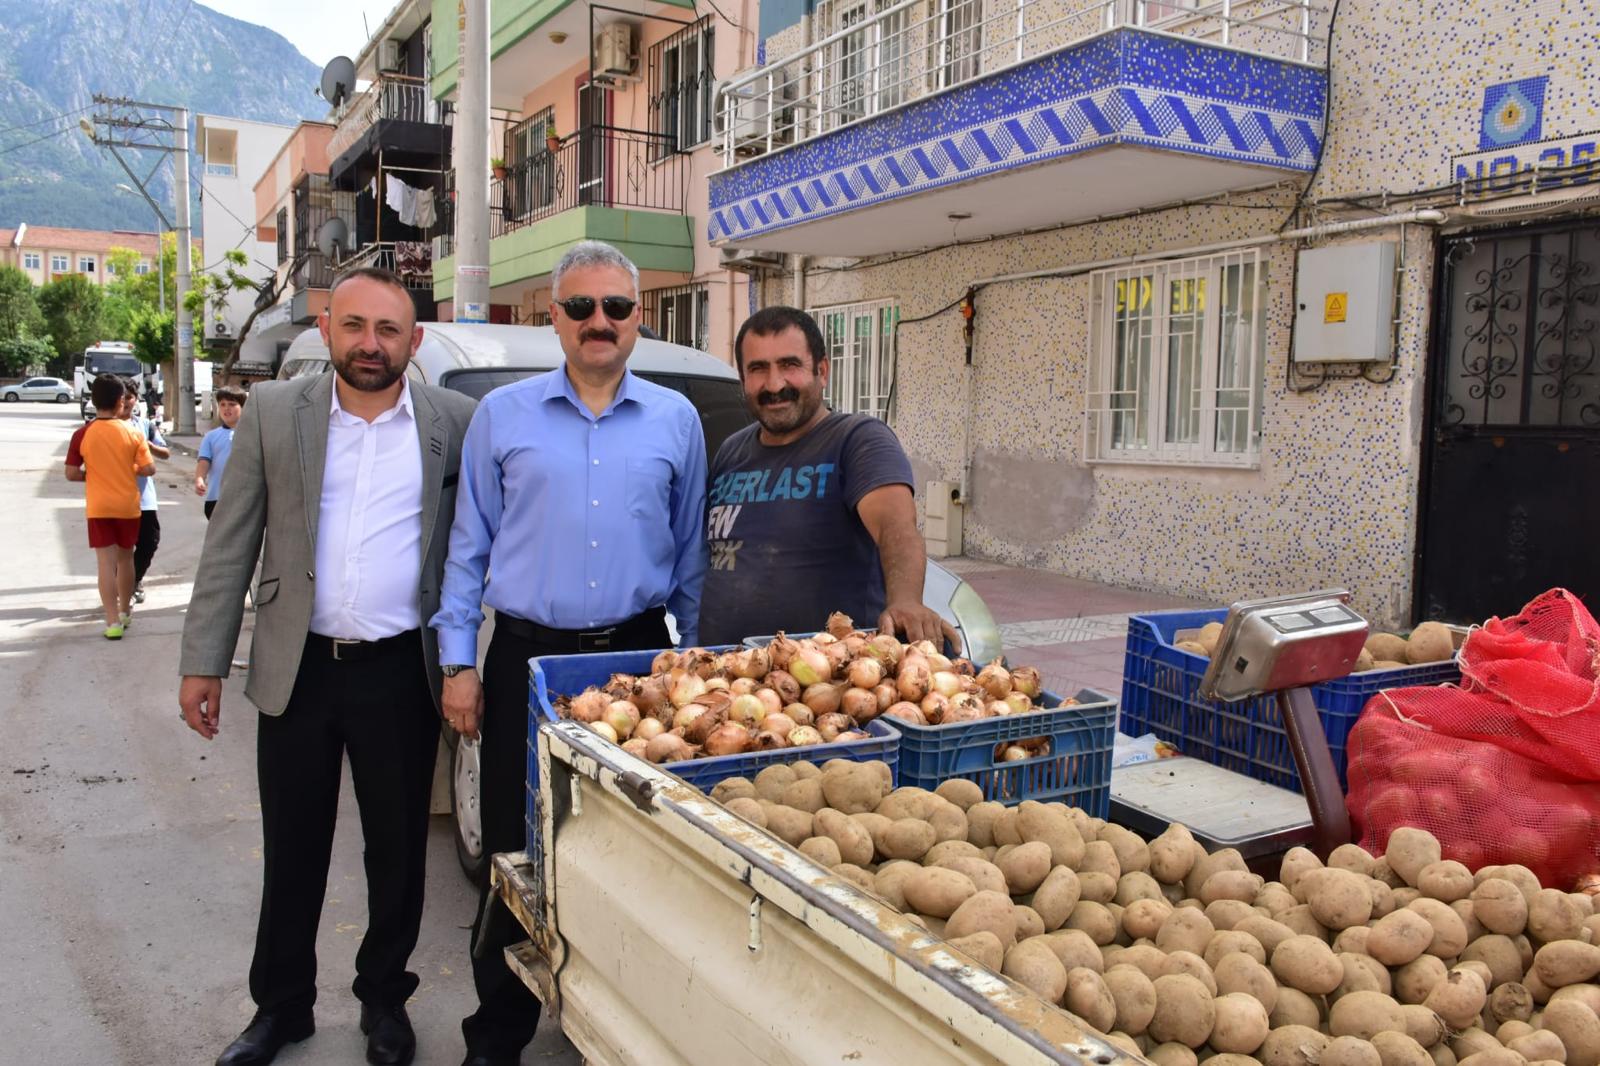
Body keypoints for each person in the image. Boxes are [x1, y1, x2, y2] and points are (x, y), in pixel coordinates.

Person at [178, 267, 477, 1066]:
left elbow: (478, 544)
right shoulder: (277, 413)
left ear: (413, 340)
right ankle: (281, 1008)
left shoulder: (456, 420)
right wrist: (202, 660)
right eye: (355, 326)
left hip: (398, 674)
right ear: (326, 328)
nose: (370, 344)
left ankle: (385, 1002)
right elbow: (230, 543)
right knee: (295, 846)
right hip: (298, 668)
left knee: (398, 853)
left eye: (389, 330)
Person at [432, 240, 708, 1066]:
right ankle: (499, 1033)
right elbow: (467, 548)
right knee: (520, 848)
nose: (599, 323)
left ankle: (615, 1027)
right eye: (581, 307)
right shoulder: (503, 416)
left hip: (637, 664)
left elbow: (690, 555)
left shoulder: (676, 420)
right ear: (551, 316)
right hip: (525, 662)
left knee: (634, 850)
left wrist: (695, 667)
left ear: (637, 318)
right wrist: (457, 663)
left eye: (616, 308)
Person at [698, 305, 957, 649]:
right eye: (758, 369)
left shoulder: (857, 438)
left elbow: (896, 527)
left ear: (822, 370)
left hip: (828, 680)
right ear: (743, 379)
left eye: (789, 365)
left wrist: (906, 600)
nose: (774, 384)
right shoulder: (731, 450)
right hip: (730, 674)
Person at [66, 375, 155, 639]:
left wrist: (92, 474)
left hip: (99, 506)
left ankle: (112, 622)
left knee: (105, 563)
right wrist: (130, 470)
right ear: (120, 401)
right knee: (126, 558)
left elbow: (71, 473)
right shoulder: (133, 432)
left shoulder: (82, 434)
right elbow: (149, 468)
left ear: (93, 402)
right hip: (128, 506)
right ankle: (126, 610)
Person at [122, 377, 169, 603]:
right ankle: (122, 589)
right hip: (116, 498)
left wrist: (148, 446)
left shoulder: (145, 425)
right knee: (120, 548)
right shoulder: (104, 426)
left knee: (149, 541)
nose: (125, 402)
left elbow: (165, 452)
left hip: (144, 499)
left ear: (136, 399)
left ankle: (134, 579)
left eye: (129, 397)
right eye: (121, 397)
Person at [195, 385, 246, 519]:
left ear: (244, 407)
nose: (226, 408)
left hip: (245, 498)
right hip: (216, 497)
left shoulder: (252, 435)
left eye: (232, 404)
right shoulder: (211, 436)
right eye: (222, 404)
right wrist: (200, 478)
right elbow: (204, 460)